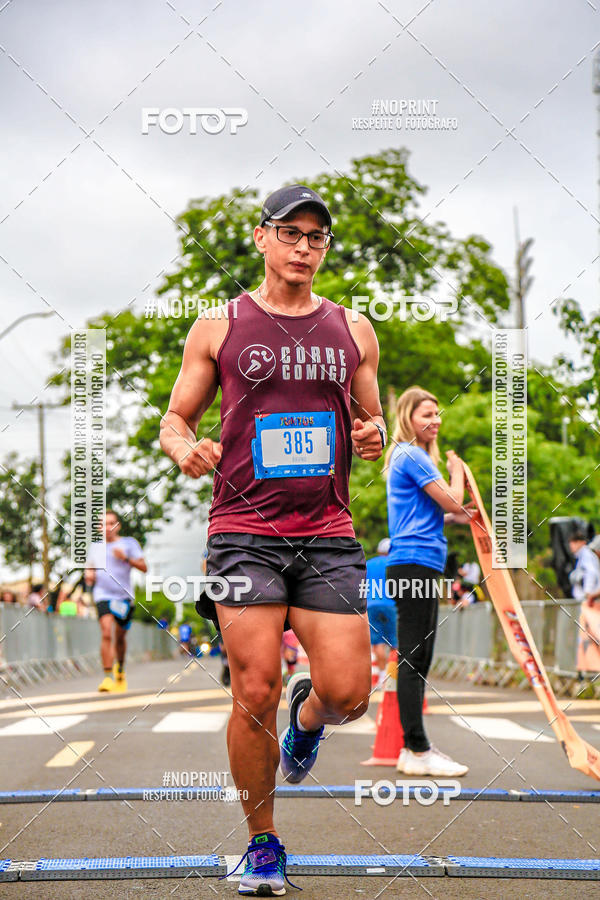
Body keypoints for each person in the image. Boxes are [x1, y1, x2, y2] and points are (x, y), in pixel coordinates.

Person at [160, 183, 385, 896]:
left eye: (316, 237)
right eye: (290, 233)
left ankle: (310, 718)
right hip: (243, 532)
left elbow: (369, 426)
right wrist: (184, 447)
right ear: (261, 238)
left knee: (350, 692)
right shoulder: (218, 327)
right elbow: (174, 419)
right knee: (252, 687)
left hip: (326, 533)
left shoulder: (354, 329)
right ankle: (263, 845)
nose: (304, 247)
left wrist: (374, 436)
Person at [385, 386, 473, 778]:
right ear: (408, 417)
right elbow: (451, 499)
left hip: (420, 563)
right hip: (414, 564)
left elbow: (440, 512)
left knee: (418, 658)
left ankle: (413, 748)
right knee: (413, 658)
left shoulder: (410, 458)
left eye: (437, 414)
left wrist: (460, 516)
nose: (434, 421)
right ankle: (417, 748)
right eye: (426, 414)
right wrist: (457, 472)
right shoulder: (412, 454)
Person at [84, 510, 147, 693]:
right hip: (102, 594)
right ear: (99, 527)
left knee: (119, 637)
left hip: (124, 597)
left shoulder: (129, 544)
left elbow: (144, 567)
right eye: (103, 524)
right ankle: (107, 677)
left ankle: (120, 668)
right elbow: (90, 569)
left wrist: (126, 558)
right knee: (106, 632)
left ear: (117, 525)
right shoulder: (95, 547)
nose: (108, 527)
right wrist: (89, 574)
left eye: (111, 523)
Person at [365, 537, 396, 688]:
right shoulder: (395, 564)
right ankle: (394, 676)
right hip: (391, 605)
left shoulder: (368, 564)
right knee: (395, 642)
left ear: (379, 551)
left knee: (377, 642)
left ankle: (382, 675)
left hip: (371, 605)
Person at [569, 531, 600, 606]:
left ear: (580, 542)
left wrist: (588, 593)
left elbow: (591, 573)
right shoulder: (581, 555)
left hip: (588, 600)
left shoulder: (586, 555)